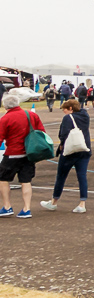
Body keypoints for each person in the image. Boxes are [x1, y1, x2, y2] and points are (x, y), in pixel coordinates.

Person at [0, 90, 46, 218]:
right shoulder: (31, 115)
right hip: (29, 153)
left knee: (3, 179)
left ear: (6, 106)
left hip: (13, 153)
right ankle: (27, 208)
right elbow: (41, 131)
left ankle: (7, 206)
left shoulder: (5, 119)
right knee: (26, 181)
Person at [41, 98, 90, 214]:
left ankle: (54, 201)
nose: (64, 111)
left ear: (70, 109)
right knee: (82, 176)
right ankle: (82, 203)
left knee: (61, 176)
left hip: (70, 151)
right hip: (84, 149)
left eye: (65, 109)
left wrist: (62, 144)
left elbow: (63, 134)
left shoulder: (68, 118)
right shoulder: (85, 116)